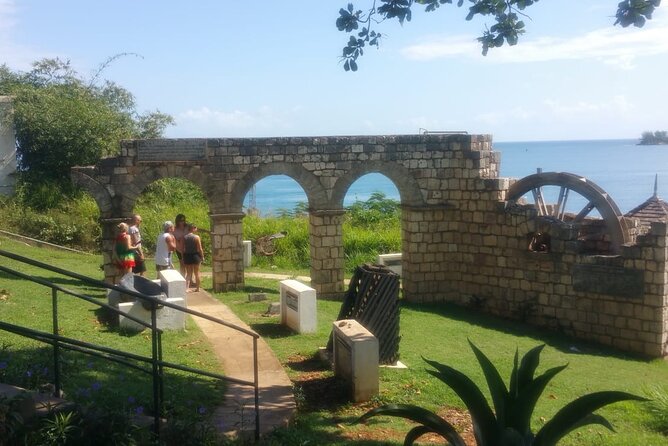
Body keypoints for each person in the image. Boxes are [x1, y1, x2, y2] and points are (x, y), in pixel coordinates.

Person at [183, 223, 204, 292]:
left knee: (188, 273)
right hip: (195, 256)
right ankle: (197, 288)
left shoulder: (184, 237)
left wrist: (183, 256)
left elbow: (183, 248)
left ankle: (186, 288)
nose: (196, 229)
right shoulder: (196, 237)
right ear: (193, 228)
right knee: (197, 273)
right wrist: (202, 256)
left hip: (187, 255)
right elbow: (200, 248)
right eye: (195, 228)